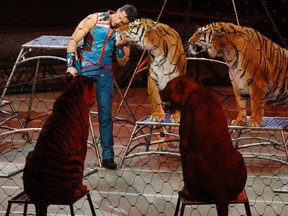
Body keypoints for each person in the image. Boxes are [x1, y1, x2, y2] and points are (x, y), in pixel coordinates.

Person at [66, 4, 138, 169]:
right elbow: (73, 40)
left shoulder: (124, 33)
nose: (118, 22)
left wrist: (120, 47)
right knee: (78, 114)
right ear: (118, 11)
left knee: (105, 115)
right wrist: (70, 65)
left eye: (123, 22)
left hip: (105, 73)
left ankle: (108, 156)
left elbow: (122, 62)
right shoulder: (95, 18)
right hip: (85, 69)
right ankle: (73, 152)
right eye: (119, 18)